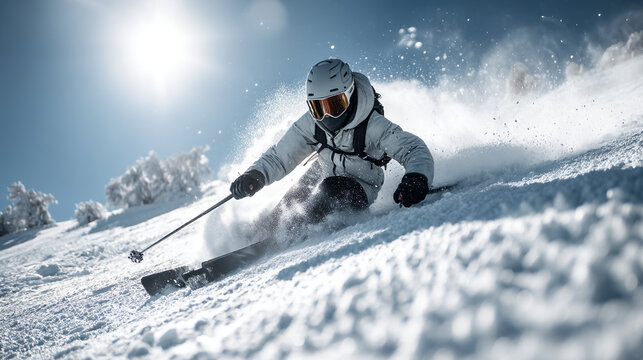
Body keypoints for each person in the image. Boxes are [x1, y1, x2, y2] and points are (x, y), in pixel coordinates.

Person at [230, 59, 434, 238]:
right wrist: (254, 175)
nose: (327, 116)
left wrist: (416, 177)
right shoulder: (311, 124)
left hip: (359, 184)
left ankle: (295, 232)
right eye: (318, 108)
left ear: (350, 94)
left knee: (330, 191)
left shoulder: (372, 125)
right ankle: (262, 236)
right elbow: (280, 157)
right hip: (323, 170)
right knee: (292, 200)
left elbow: (413, 149)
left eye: (335, 105)